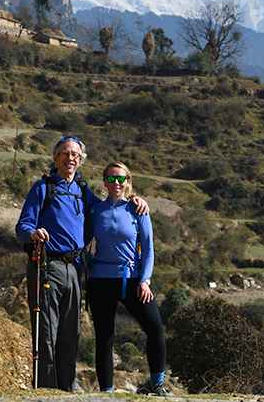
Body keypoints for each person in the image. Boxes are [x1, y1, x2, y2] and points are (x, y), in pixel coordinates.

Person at [15, 136, 148, 392]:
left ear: (81, 161)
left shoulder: (83, 191)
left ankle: (66, 387)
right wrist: (33, 234)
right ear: (56, 158)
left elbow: (109, 209)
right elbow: (23, 226)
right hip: (47, 265)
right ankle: (47, 387)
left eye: (75, 155)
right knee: (47, 330)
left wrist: (135, 200)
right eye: (65, 153)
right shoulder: (42, 188)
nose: (70, 158)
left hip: (76, 267)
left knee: (70, 331)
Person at [87, 161, 169, 396]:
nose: (116, 183)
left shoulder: (138, 209)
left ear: (128, 182)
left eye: (121, 179)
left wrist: (145, 280)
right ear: (104, 182)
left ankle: (158, 385)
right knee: (104, 337)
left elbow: (149, 248)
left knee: (154, 328)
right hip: (100, 280)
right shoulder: (95, 209)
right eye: (111, 178)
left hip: (132, 280)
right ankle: (107, 392)